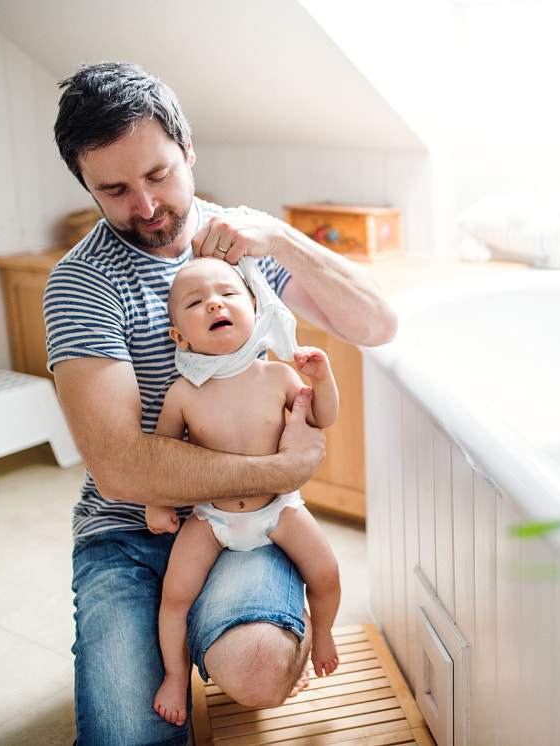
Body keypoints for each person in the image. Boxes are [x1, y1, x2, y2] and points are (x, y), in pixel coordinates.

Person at [45, 61, 397, 745]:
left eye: (158, 175)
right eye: (114, 190)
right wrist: (281, 471)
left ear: (188, 152)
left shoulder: (244, 248)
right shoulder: (80, 285)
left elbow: (378, 325)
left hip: (248, 523)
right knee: (127, 735)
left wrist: (285, 239)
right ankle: (175, 635)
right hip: (124, 533)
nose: (145, 207)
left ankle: (246, 626)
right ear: (86, 185)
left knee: (259, 669)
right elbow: (122, 470)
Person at [145, 256, 341, 726]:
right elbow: (162, 455)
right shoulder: (183, 393)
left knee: (327, 571)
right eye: (196, 302)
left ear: (255, 309)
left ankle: (325, 633)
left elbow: (322, 418)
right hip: (211, 520)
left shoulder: (276, 376)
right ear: (179, 336)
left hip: (278, 511)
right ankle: (175, 675)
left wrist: (322, 378)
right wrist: (158, 502)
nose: (214, 301)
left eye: (229, 294)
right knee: (175, 597)